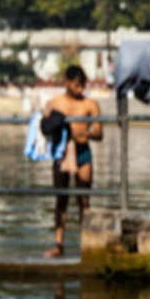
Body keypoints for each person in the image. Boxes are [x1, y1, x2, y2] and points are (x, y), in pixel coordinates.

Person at [44, 65, 101, 259]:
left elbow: (99, 132)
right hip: (62, 152)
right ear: (66, 83)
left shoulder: (90, 104)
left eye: (83, 85)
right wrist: (45, 116)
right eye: (77, 85)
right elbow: (44, 127)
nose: (80, 89)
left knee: (84, 201)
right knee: (61, 200)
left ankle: (87, 244)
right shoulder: (55, 103)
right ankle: (58, 245)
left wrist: (84, 133)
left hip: (83, 152)